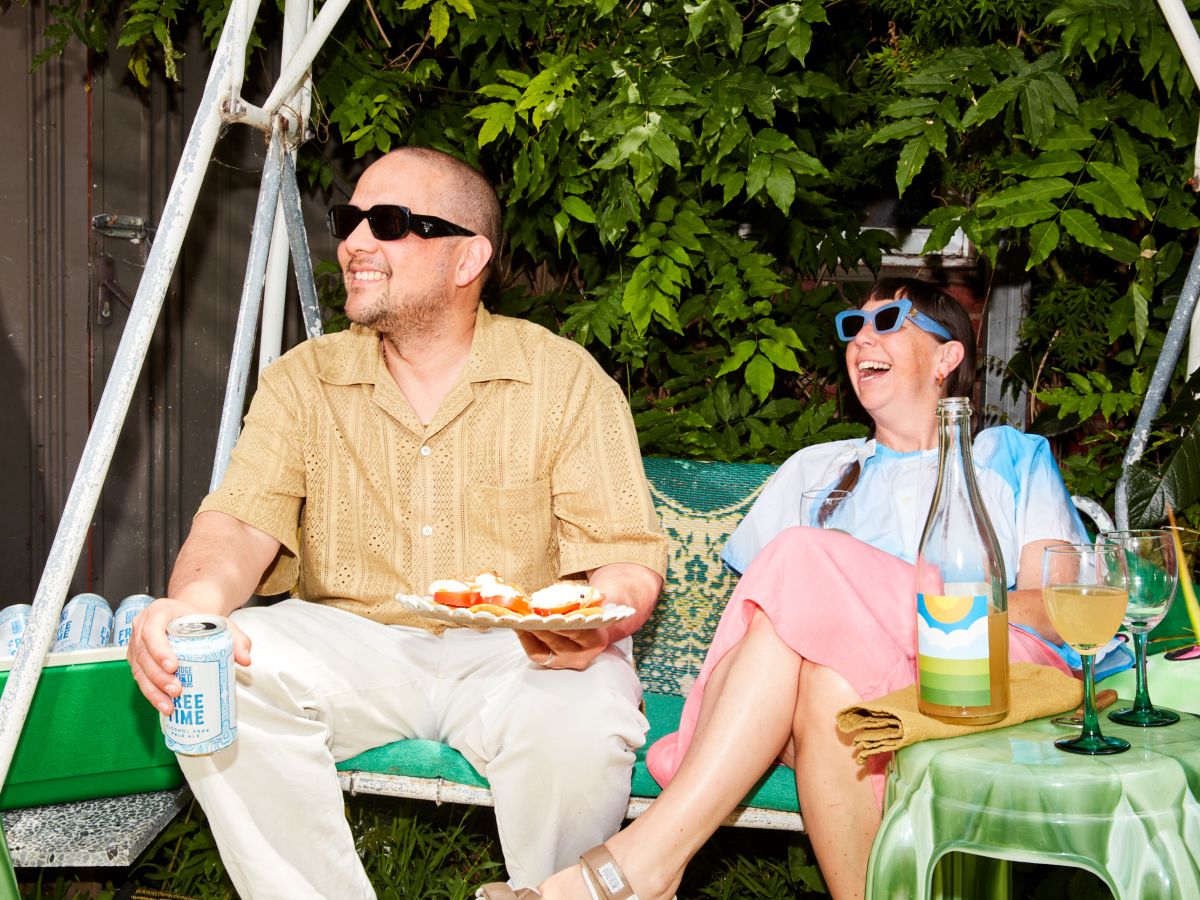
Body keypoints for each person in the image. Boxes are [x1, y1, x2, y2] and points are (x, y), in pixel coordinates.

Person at [127, 147, 668, 899]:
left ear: (467, 259)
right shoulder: (302, 379)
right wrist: (188, 610)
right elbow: (239, 526)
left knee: (584, 714)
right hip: (354, 643)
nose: (353, 243)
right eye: (349, 221)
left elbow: (624, 561)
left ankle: (556, 892)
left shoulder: (564, 378)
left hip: (518, 651)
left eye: (387, 223)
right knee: (218, 669)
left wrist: (595, 622)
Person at [488, 277, 1089, 900]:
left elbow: (1051, 609)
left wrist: (878, 593)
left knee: (806, 559)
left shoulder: (1010, 455)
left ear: (947, 356)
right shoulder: (817, 470)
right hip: (845, 707)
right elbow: (762, 626)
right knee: (825, 676)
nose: (861, 341)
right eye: (852, 329)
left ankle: (645, 864)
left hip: (980, 677)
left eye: (887, 323)